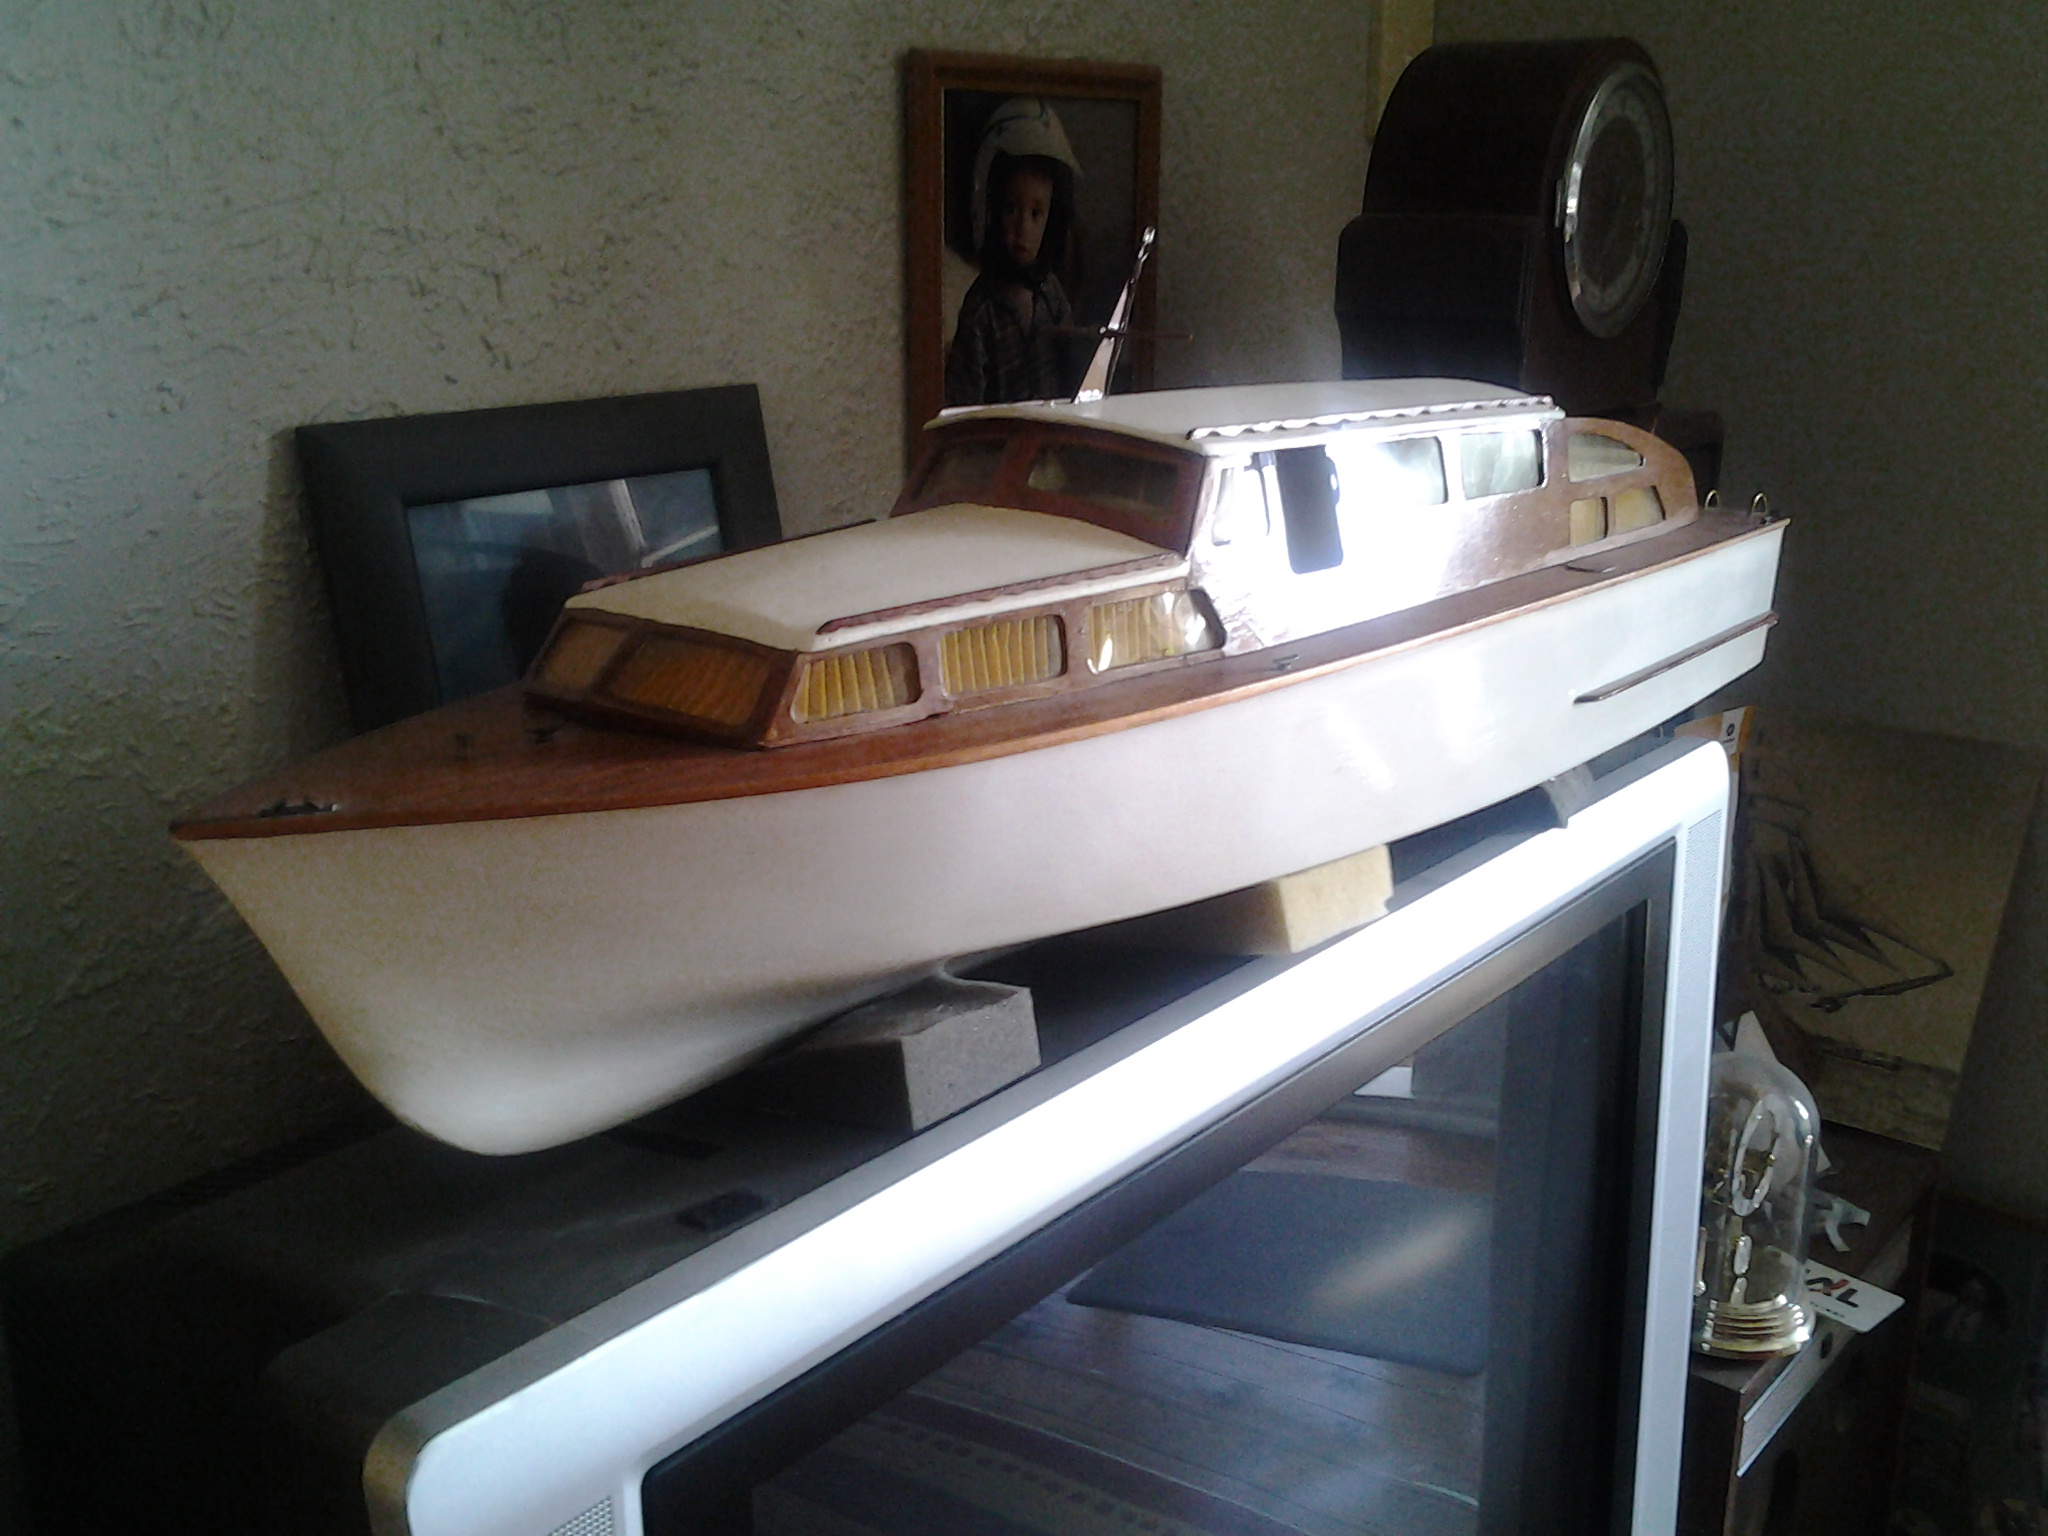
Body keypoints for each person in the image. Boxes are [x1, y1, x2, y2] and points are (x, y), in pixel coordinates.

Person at [945, 97, 1082, 406]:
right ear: (991, 210)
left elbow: (1073, 374)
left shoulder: (1051, 293)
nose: (1023, 229)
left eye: (1036, 214)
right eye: (1010, 209)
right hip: (999, 436)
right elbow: (964, 401)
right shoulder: (982, 308)